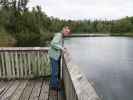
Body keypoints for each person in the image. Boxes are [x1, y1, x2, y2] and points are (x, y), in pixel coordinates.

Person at [48, 26, 71, 95]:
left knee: (55, 71)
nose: (67, 34)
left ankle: (54, 84)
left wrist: (63, 47)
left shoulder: (61, 36)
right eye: (67, 32)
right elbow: (53, 43)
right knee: (55, 72)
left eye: (68, 33)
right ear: (63, 31)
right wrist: (61, 48)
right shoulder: (59, 35)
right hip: (54, 56)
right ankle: (54, 87)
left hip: (56, 56)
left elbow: (58, 44)